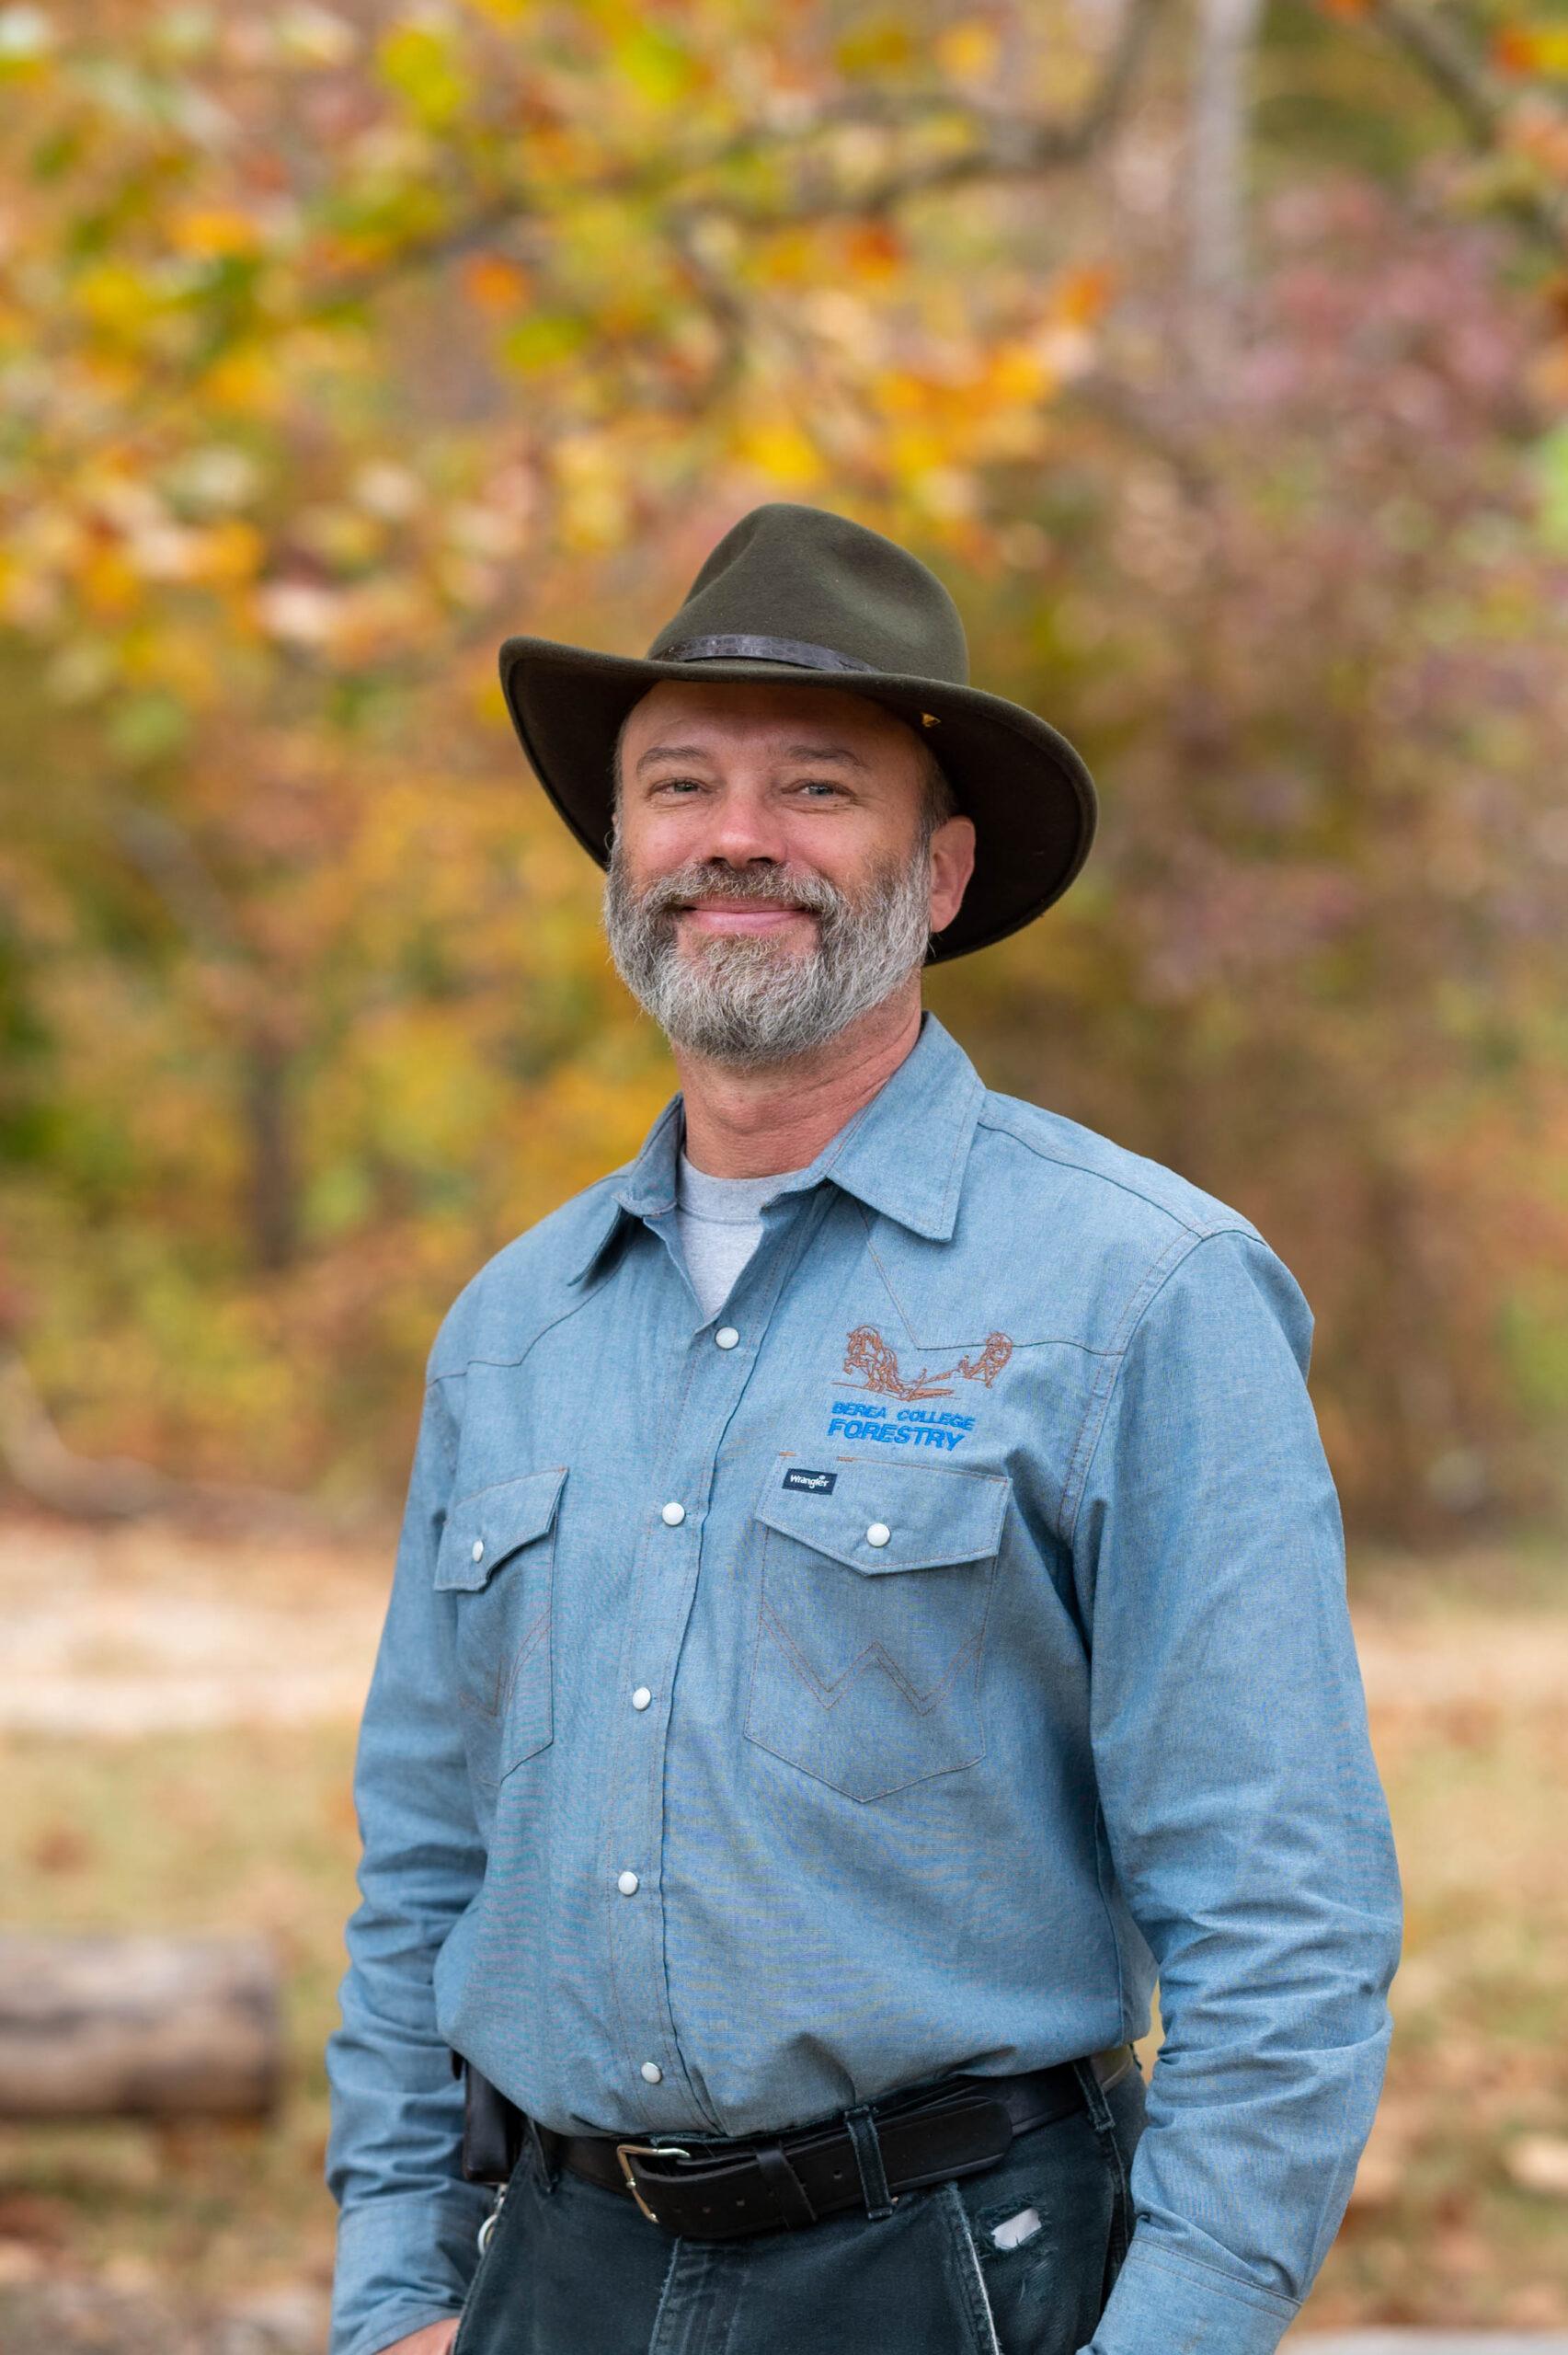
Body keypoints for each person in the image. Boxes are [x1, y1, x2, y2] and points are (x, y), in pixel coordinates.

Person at [324, 502, 1402, 2355]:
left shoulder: (1142, 1286)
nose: (733, 834)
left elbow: (1277, 1897)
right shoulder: (514, 1324)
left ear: (944, 870)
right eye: (677, 783)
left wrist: (1181, 2329)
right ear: (621, 849)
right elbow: (425, 1851)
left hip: (958, 2272)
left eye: (817, 786)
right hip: (547, 2275)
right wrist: (398, 2286)